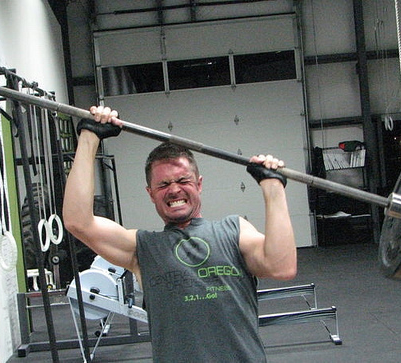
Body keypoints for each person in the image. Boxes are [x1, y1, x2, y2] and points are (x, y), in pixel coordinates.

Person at [63, 106, 297, 362]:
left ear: (199, 184)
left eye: (183, 181)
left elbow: (281, 266)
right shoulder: (142, 248)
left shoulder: (234, 230)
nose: (174, 190)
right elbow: (78, 222)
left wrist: (273, 188)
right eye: (163, 184)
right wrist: (89, 136)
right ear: (150, 193)